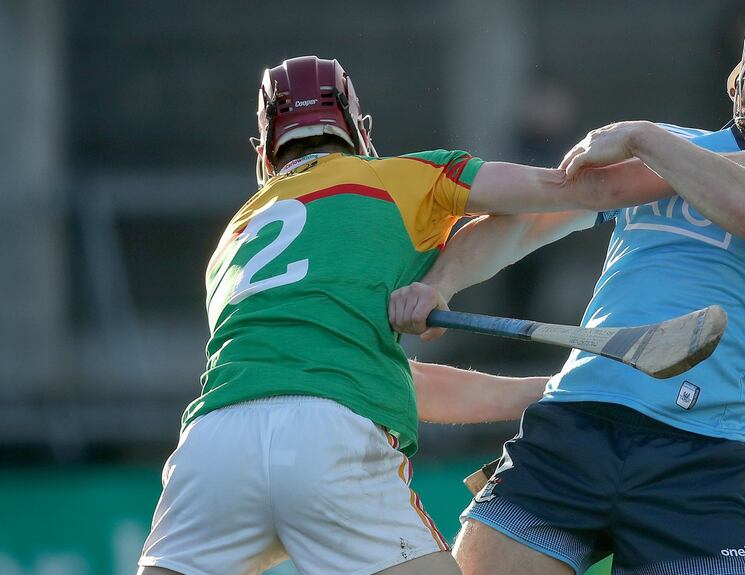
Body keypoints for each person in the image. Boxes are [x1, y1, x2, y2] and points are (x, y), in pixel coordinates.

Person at [136, 55, 687, 575]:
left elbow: (383, 381)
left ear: (266, 149)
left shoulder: (231, 240)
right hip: (332, 441)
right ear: (357, 127)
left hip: (211, 449)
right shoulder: (403, 177)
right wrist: (734, 169)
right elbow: (567, 189)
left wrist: (551, 390)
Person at [389, 2, 745, 574]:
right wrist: (439, 283)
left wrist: (643, 137)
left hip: (698, 457)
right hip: (573, 425)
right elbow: (526, 222)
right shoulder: (674, 148)